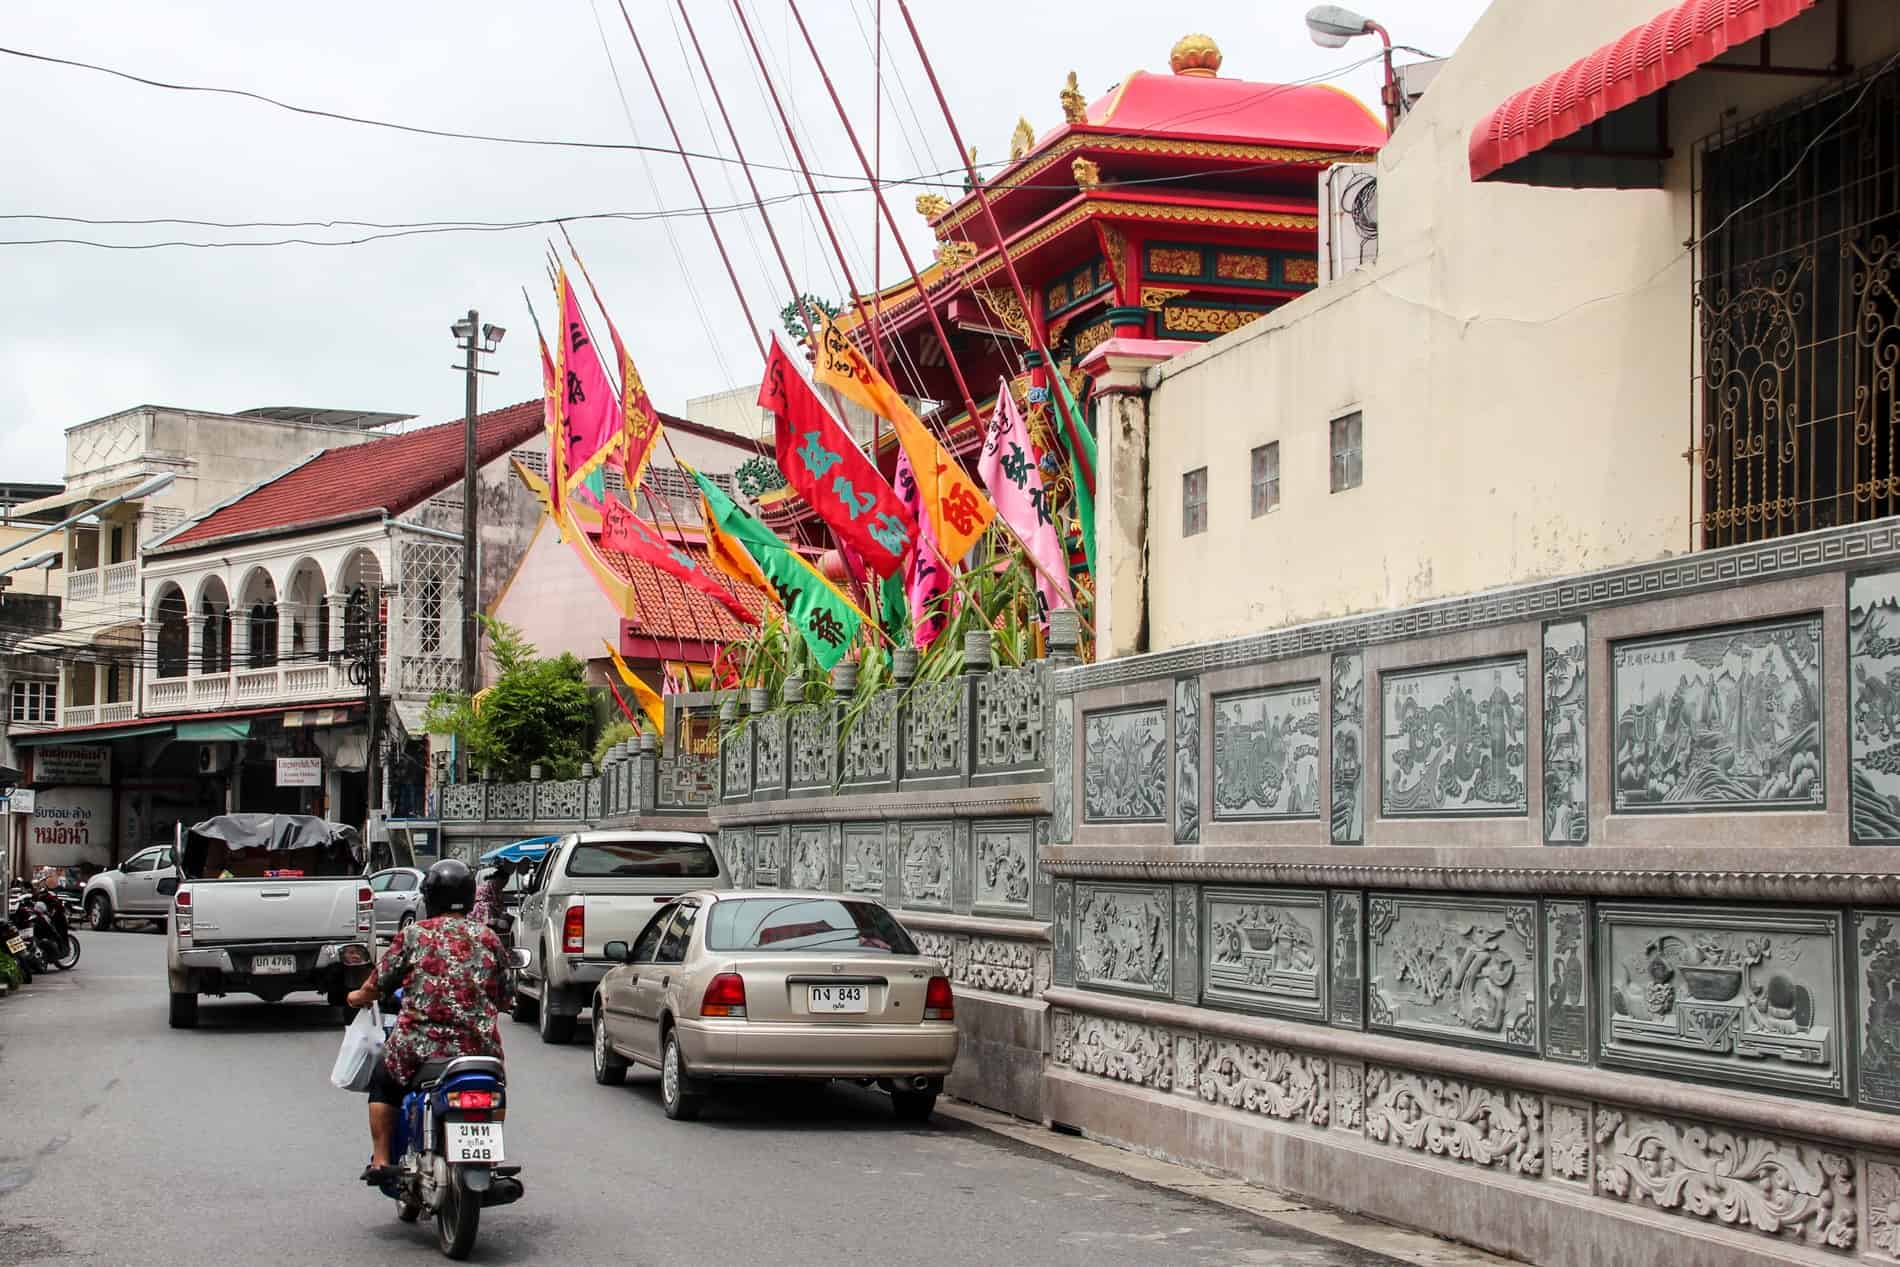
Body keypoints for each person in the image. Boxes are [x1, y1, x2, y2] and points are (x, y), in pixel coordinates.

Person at [345, 858, 506, 1184]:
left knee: (383, 1081)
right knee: (497, 1088)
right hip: (479, 1049)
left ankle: (380, 1160)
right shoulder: (489, 938)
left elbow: (376, 986)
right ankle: (489, 1157)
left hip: (419, 1048)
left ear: (429, 898)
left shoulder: (413, 935)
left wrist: (355, 997)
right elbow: (506, 996)